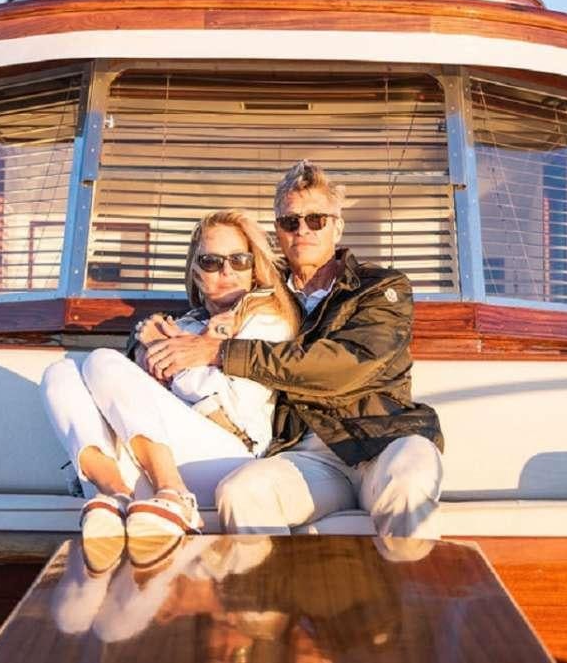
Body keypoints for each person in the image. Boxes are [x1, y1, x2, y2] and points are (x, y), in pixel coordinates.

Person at [143, 161, 445, 538]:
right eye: (290, 221)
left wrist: (222, 352)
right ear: (278, 231)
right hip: (306, 458)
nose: (302, 229)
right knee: (241, 491)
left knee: (410, 479)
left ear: (337, 226)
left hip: (381, 439)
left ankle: (412, 593)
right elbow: (196, 317)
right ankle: (264, 596)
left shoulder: (379, 287)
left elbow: (345, 365)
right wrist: (150, 339)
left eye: (316, 219)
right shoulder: (262, 294)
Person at [39, 210, 298, 541]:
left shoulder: (268, 320)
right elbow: (132, 397)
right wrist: (167, 353)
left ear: (254, 267)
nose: (227, 270)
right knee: (61, 372)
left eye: (239, 259)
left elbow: (231, 408)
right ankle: (115, 495)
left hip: (230, 456)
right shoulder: (186, 325)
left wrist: (169, 357)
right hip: (165, 449)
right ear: (195, 270)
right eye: (211, 261)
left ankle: (174, 493)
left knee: (103, 361)